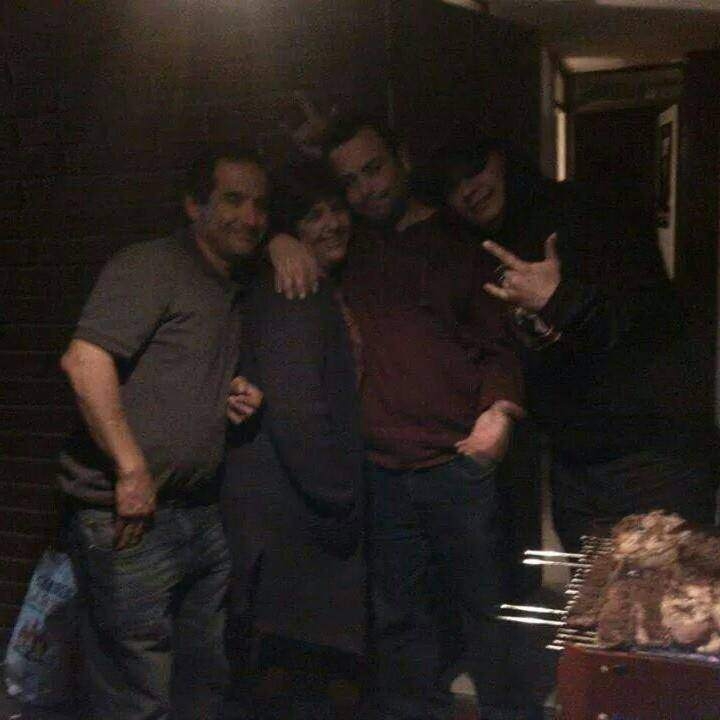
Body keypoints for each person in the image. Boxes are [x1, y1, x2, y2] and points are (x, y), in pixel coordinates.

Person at [267, 117, 523, 720]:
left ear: (401, 158)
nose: (366, 190)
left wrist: (501, 415)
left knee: (487, 612)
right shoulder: (348, 246)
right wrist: (279, 238)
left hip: (457, 464)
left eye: (374, 169)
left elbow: (499, 343)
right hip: (379, 472)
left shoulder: (460, 241)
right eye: (351, 182)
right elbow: (290, 218)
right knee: (398, 623)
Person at [57, 146, 268, 720]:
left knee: (202, 683)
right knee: (136, 694)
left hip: (198, 512)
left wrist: (230, 391)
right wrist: (131, 470)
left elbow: (170, 372)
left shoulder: (225, 284)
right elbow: (85, 362)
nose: (250, 217)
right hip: (131, 518)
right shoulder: (152, 265)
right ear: (194, 205)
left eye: (260, 204)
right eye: (233, 199)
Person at [432, 135, 718, 551]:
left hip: (653, 454)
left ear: (500, 160)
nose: (467, 190)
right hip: (574, 463)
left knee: (671, 587)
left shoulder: (587, 210)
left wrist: (560, 299)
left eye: (473, 170)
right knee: (592, 589)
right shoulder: (478, 247)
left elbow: (652, 319)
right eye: (451, 185)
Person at [221, 163, 365, 720]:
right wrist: (341, 493)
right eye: (313, 216)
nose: (332, 224)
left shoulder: (318, 283)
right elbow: (298, 411)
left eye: (337, 209)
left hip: (296, 516)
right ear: (291, 230)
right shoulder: (295, 290)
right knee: (301, 682)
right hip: (297, 520)